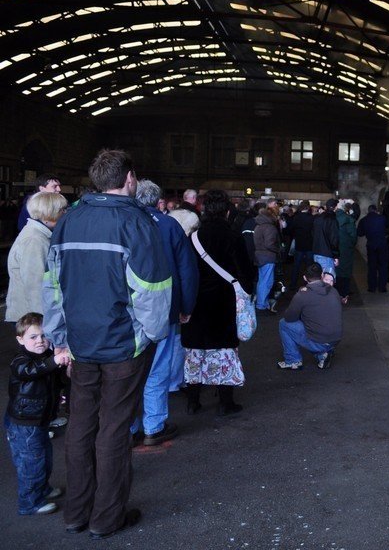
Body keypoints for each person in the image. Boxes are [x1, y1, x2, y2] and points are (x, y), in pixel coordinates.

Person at [42, 148, 171, 539]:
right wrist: (152, 334)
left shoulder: (68, 221)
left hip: (81, 344)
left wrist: (59, 338)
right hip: (122, 346)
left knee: (81, 425)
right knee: (114, 430)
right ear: (129, 178)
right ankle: (106, 518)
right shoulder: (137, 223)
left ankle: (76, 514)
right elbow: (152, 291)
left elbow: (52, 288)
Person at [131, 180, 199, 447]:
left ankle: (129, 425)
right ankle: (154, 425)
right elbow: (187, 270)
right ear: (159, 201)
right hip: (165, 308)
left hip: (129, 311)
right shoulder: (169, 226)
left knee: (129, 369)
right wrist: (186, 307)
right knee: (158, 368)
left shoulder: (123, 223)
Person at [182, 190, 254, 417]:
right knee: (224, 351)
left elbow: (185, 272)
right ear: (227, 210)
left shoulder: (192, 238)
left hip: (196, 302)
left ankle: (193, 402)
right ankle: (225, 402)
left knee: (195, 351)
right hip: (224, 303)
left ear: (203, 210)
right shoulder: (233, 237)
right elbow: (246, 273)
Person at [5, 313, 70, 516]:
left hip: (40, 422)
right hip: (24, 424)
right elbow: (30, 371)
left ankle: (42, 490)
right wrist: (55, 361)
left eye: (43, 336)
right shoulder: (20, 361)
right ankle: (30, 502)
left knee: (43, 459)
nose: (40, 341)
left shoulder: (45, 358)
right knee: (30, 463)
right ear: (20, 340)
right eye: (33, 337)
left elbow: (55, 380)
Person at [5, 192, 68, 325]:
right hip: (31, 319)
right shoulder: (35, 240)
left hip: (32, 316)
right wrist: (45, 323)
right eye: (62, 210)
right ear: (49, 213)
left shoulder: (39, 234)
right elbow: (36, 286)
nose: (65, 213)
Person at [276, 263, 343, 371]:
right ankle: (322, 355)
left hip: (320, 340)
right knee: (315, 326)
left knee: (283, 324)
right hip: (335, 339)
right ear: (322, 275)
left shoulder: (302, 295)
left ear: (304, 278)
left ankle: (293, 360)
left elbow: (289, 318)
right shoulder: (333, 290)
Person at [253, 202, 280, 312]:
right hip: (268, 256)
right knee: (267, 282)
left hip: (259, 255)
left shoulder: (258, 225)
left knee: (262, 280)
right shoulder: (270, 227)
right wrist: (278, 250)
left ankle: (261, 302)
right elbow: (270, 244)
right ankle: (261, 304)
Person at [357, 205, 388, 292]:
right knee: (383, 266)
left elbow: (360, 233)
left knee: (372, 267)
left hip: (371, 245)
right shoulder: (382, 218)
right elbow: (388, 228)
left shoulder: (364, 220)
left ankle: (372, 287)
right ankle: (382, 288)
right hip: (382, 245)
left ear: (368, 210)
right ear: (376, 210)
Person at [288, 201, 315, 292]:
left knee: (296, 265)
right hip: (309, 245)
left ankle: (293, 284)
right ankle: (309, 284)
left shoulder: (296, 218)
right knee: (309, 266)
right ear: (307, 208)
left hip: (299, 244)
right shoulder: (312, 218)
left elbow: (290, 229)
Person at [312, 199, 340, 279]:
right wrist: (336, 256)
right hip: (327, 255)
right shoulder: (332, 220)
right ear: (335, 207)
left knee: (319, 279)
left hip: (316, 253)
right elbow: (334, 239)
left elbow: (313, 234)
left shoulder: (318, 218)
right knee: (327, 281)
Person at [335, 201, 358, 300]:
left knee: (335, 269)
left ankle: (334, 292)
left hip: (334, 248)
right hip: (346, 249)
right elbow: (353, 237)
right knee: (346, 270)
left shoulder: (331, 218)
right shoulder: (349, 220)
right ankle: (344, 293)